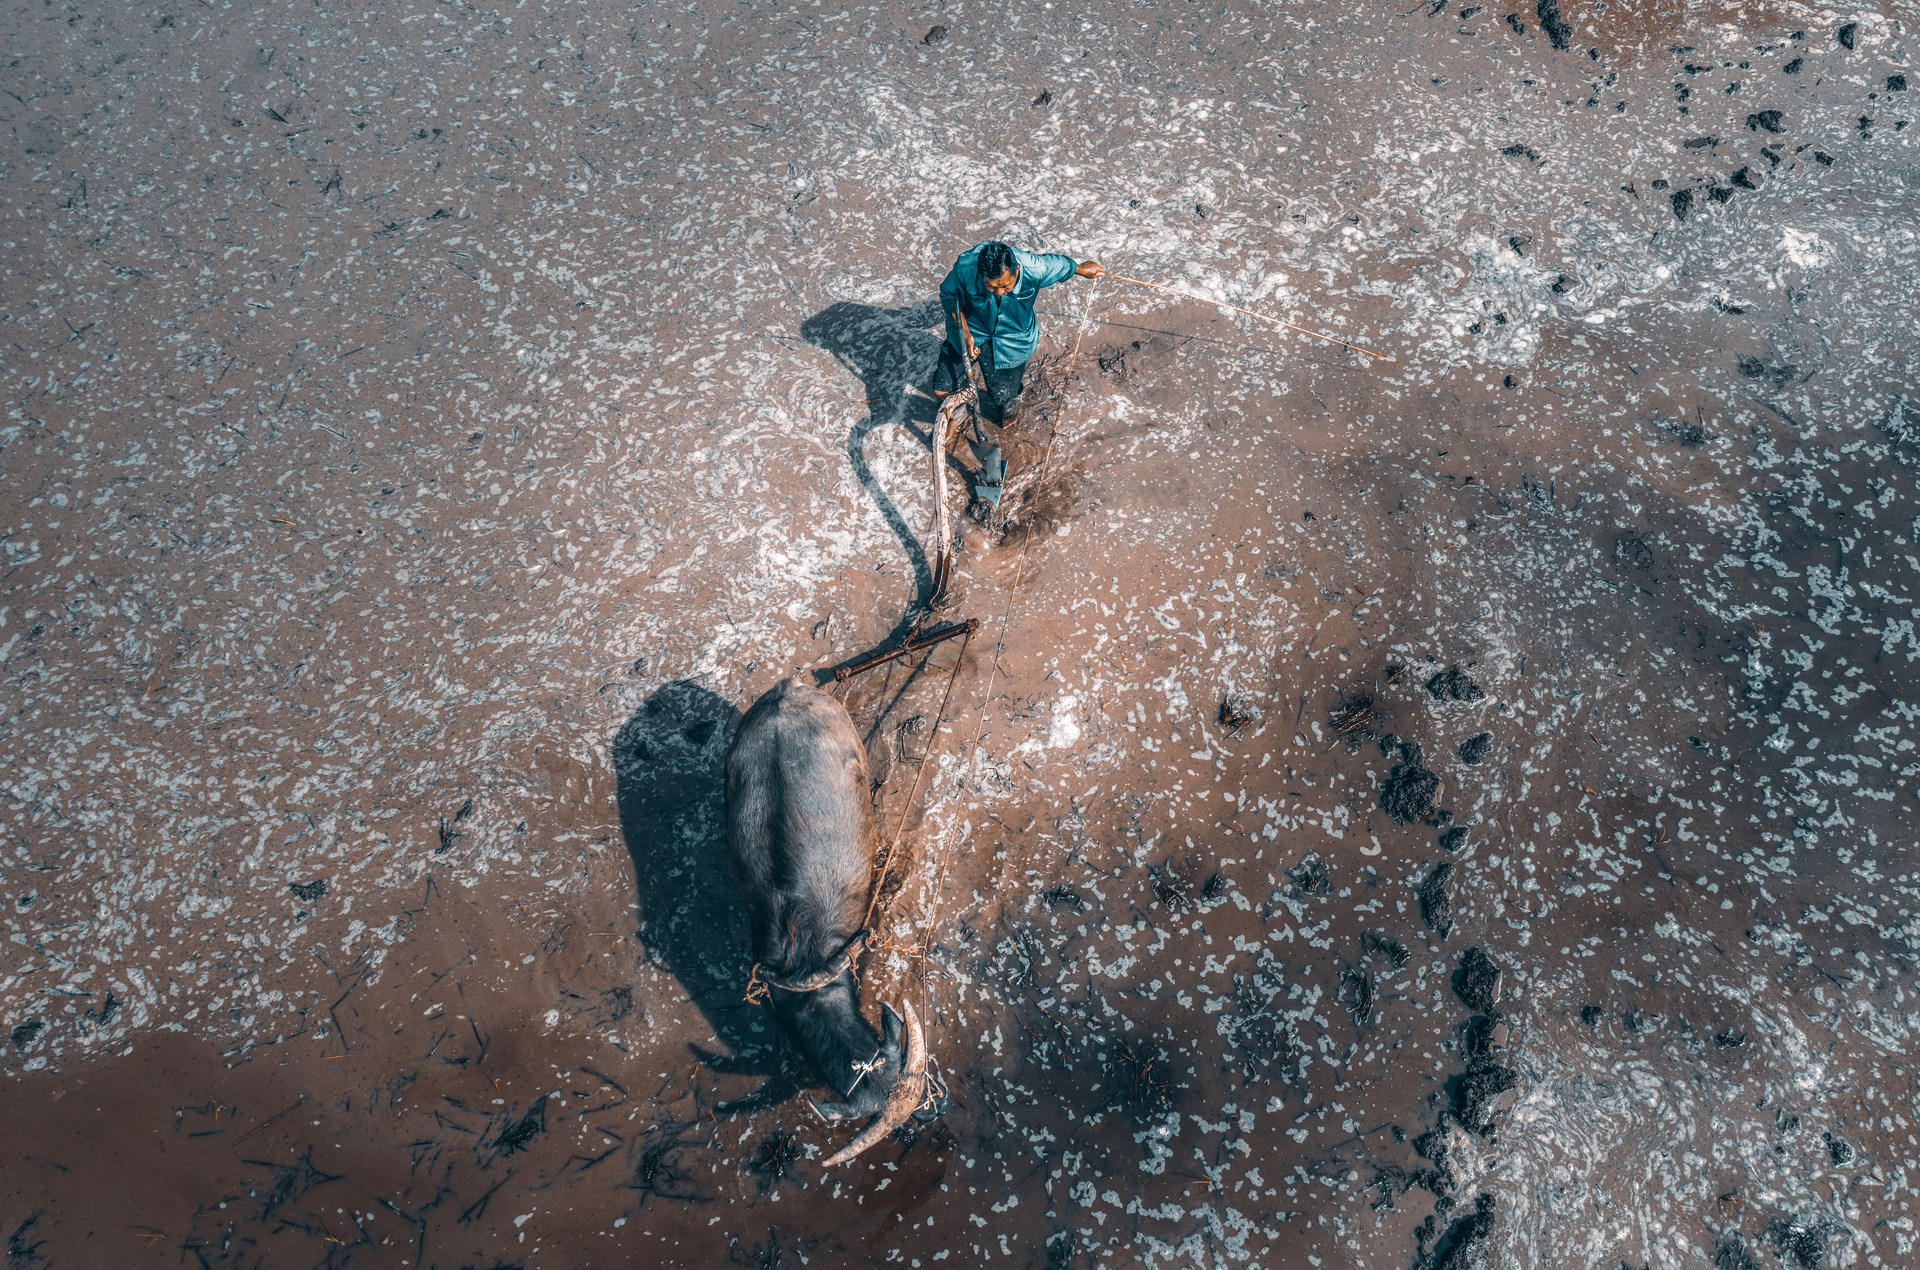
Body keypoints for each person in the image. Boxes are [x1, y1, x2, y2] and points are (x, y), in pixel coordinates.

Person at [932, 241, 1103, 510]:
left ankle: (1007, 418)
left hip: (1011, 342)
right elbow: (947, 295)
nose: (999, 292)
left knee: (1003, 400)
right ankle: (961, 411)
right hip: (969, 334)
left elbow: (1063, 266)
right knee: (942, 390)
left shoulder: (1035, 267)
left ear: (1017, 269)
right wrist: (963, 329)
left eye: (1006, 286)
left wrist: (1082, 269)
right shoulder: (966, 267)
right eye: (991, 286)